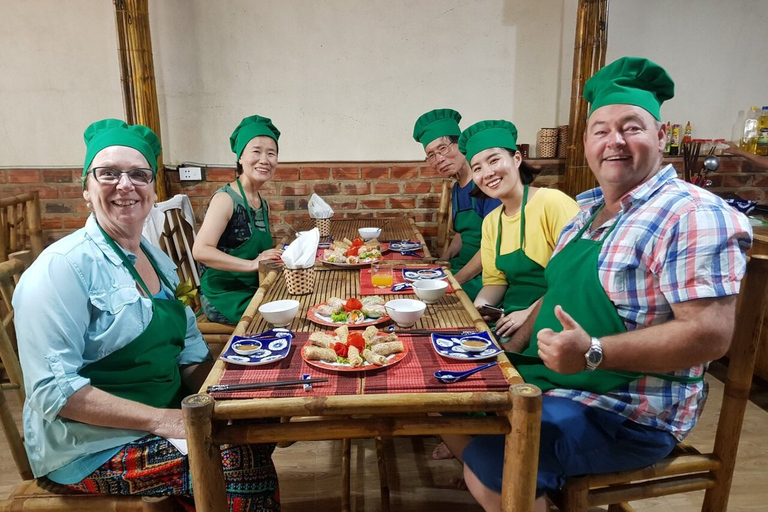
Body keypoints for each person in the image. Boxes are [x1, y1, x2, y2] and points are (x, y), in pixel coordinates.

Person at [461, 57, 753, 512]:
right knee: (457, 403)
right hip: (561, 380)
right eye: (601, 130)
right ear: (586, 144)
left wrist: (594, 350)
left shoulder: (692, 214)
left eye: (631, 127)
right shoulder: (584, 213)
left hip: (630, 407)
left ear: (661, 135)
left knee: (494, 456)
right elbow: (552, 295)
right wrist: (505, 348)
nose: (614, 141)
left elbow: (710, 334)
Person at [13, 119, 280, 511]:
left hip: (167, 414)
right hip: (93, 445)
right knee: (240, 460)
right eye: (108, 174)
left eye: (139, 174)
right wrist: (165, 421)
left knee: (258, 427)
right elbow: (53, 392)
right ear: (86, 188)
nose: (126, 185)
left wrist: (234, 398)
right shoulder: (61, 269)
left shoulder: (155, 260)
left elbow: (189, 354)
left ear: (152, 190)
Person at [461, 120, 579, 340]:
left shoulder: (552, 203)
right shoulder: (491, 222)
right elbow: (495, 283)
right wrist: (480, 308)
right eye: (477, 168)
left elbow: (573, 278)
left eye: (494, 160)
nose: (487, 173)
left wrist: (529, 314)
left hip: (558, 316)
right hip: (510, 316)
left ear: (516, 159)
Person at [194, 115, 284, 325]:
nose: (264, 160)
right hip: (224, 295)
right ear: (240, 157)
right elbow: (200, 250)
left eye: (271, 153)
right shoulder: (226, 199)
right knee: (281, 317)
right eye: (256, 151)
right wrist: (252, 264)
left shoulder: (261, 202)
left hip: (253, 287)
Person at [413, 109, 501, 302]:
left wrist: (455, 281)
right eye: (431, 155)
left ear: (461, 144)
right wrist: (444, 259)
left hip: (486, 276)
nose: (439, 159)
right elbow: (462, 233)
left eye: (443, 148)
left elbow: (494, 247)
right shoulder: (456, 188)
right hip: (461, 266)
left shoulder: (486, 185)